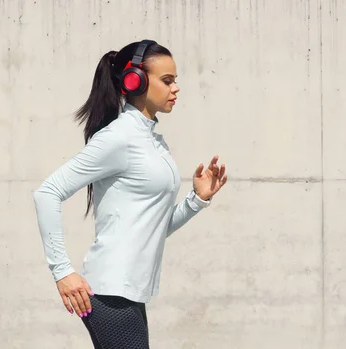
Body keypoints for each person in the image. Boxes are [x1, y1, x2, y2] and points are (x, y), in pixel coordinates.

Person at [32, 39, 227, 349]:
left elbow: (153, 228)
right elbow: (47, 193)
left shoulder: (153, 142)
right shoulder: (119, 137)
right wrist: (63, 271)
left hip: (130, 292)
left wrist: (196, 201)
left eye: (175, 80)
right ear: (134, 81)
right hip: (110, 293)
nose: (175, 88)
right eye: (167, 80)